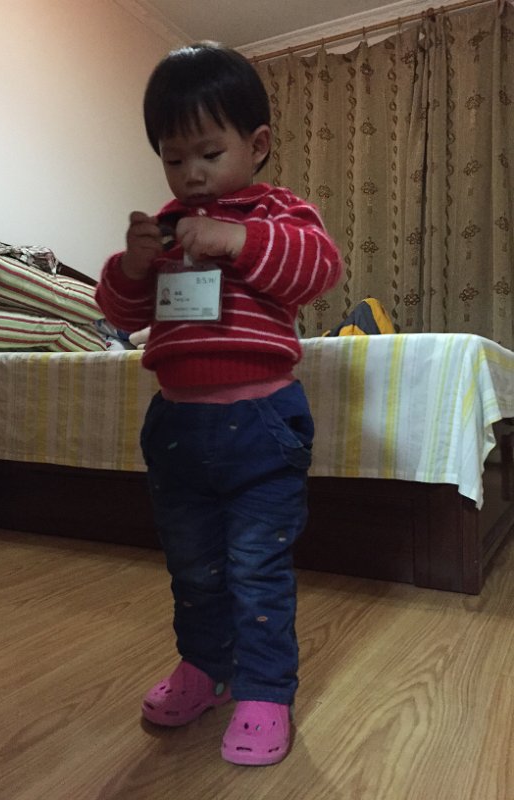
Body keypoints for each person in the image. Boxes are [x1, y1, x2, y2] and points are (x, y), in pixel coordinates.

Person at [96, 42, 342, 766]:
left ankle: (265, 688)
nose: (192, 174)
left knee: (256, 567)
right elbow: (120, 314)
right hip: (176, 424)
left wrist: (236, 239)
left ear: (256, 145)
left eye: (209, 153)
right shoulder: (167, 226)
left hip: (262, 422)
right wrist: (132, 265)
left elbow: (319, 269)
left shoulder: (278, 211)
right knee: (193, 565)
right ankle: (205, 667)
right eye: (174, 159)